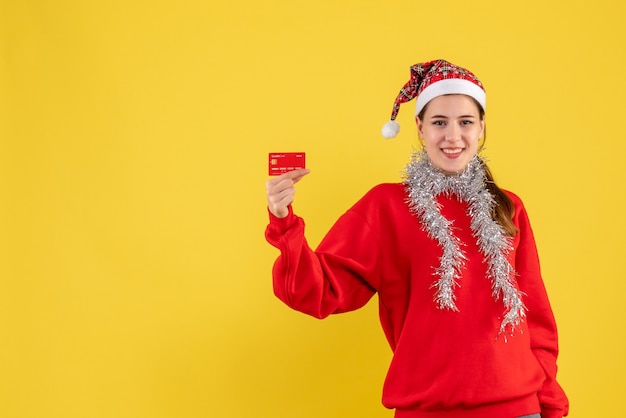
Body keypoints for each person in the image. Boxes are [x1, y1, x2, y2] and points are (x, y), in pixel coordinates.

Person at [264, 59, 569, 418]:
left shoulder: (508, 207)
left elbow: (536, 318)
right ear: (420, 127)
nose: (453, 136)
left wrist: (551, 406)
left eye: (465, 122)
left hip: (518, 409)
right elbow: (318, 291)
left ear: (482, 127)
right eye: (439, 122)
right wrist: (285, 223)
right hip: (426, 409)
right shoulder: (386, 206)